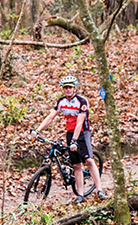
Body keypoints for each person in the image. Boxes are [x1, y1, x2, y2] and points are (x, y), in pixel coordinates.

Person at [31, 75, 107, 203]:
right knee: (76, 165)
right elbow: (51, 116)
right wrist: (37, 130)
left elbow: (79, 122)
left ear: (75, 88)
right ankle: (80, 195)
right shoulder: (62, 102)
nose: (68, 90)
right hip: (70, 133)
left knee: (88, 160)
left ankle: (100, 190)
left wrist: (75, 141)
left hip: (83, 133)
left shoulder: (82, 101)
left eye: (70, 87)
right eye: (65, 88)